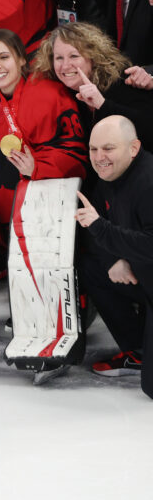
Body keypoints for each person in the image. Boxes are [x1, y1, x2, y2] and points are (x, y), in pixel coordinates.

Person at [0, 29, 87, 322]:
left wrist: (39, 169)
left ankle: (52, 297)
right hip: (1, 201)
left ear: (22, 59)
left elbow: (78, 154)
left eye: (4, 57)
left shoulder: (51, 93)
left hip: (48, 204)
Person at [75, 115, 153, 398]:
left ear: (133, 148)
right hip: (143, 276)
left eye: (108, 148)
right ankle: (138, 351)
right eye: (93, 149)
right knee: (93, 266)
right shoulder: (109, 175)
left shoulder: (148, 181)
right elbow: (94, 230)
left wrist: (102, 229)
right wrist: (113, 259)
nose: (99, 157)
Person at [30, 21, 153, 148]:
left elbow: (149, 132)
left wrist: (102, 105)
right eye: (59, 58)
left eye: (74, 56)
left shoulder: (123, 81)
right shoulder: (60, 91)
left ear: (93, 57)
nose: (65, 66)